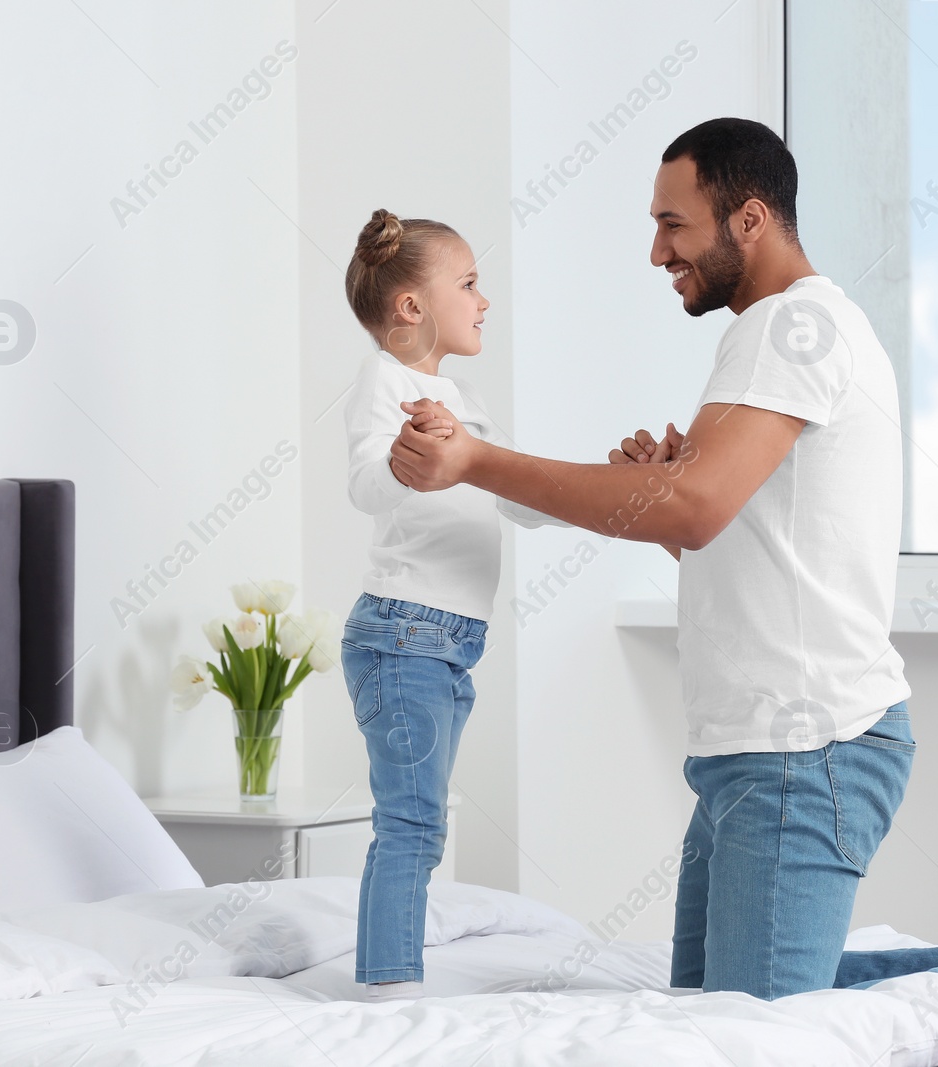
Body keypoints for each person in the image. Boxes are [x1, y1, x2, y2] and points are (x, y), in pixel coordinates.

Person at [385, 120, 938, 1037]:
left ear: (749, 219)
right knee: (713, 1011)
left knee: (757, 1037)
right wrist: (654, 492)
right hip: (752, 752)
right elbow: (714, 530)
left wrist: (476, 460)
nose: (657, 251)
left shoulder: (795, 325)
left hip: (801, 751)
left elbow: (694, 507)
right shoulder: (773, 333)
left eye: (673, 224)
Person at [338, 207, 569, 1001]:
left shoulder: (460, 393)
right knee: (413, 821)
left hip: (444, 641)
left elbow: (522, 498)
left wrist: (608, 478)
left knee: (422, 819)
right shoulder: (387, 383)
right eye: (469, 284)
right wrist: (411, 460)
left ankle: (388, 975)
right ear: (411, 307)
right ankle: (386, 992)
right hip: (403, 633)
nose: (484, 300)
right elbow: (365, 483)